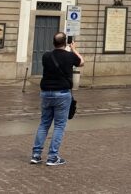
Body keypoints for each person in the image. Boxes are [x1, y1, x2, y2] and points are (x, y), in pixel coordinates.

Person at [31, 32, 84, 166]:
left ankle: (36, 155)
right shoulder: (70, 56)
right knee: (59, 126)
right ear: (66, 42)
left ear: (53, 43)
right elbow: (82, 62)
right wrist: (73, 49)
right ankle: (52, 157)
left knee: (44, 124)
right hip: (62, 93)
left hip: (46, 93)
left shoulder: (46, 56)